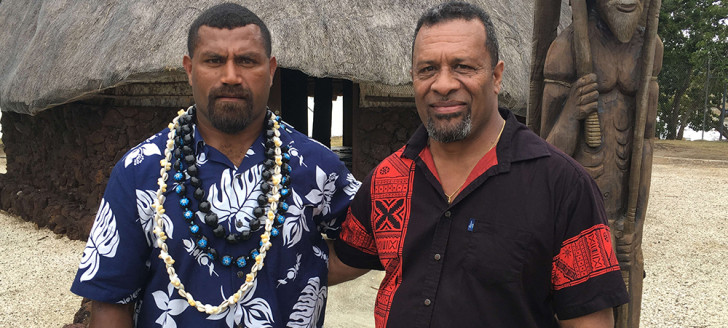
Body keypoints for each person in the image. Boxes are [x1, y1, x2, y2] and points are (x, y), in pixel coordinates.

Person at [329, 2, 629, 327]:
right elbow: (342, 259)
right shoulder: (388, 178)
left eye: (463, 67)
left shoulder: (561, 186)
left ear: (497, 76)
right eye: (427, 69)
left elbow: (590, 321)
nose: (443, 85)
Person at [71, 3, 359, 327]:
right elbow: (110, 300)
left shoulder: (317, 167)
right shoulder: (140, 172)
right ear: (190, 69)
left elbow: (371, 240)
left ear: (271, 69)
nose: (231, 76)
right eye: (214, 60)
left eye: (247, 61)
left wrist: (307, 267)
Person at [539, 0, 662, 325]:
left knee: (625, 311)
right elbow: (544, 158)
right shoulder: (567, 50)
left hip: (624, 223)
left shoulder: (651, 49)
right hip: (575, 223)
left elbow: (645, 146)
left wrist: (634, 226)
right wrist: (571, 115)